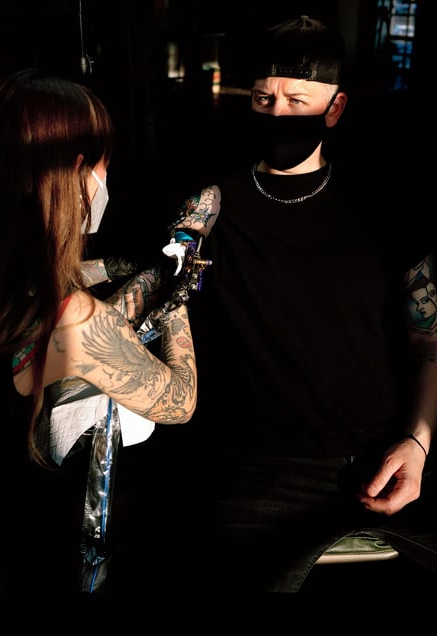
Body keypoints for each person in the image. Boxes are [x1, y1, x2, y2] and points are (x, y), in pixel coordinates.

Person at [151, 14, 437, 597]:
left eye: (297, 101)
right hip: (254, 472)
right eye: (264, 99)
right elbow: (163, 296)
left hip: (378, 461)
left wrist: (418, 443)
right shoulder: (214, 205)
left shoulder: (384, 210)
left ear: (335, 108)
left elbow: (427, 341)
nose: (278, 114)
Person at [0, 68, 197, 593]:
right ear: (77, 171)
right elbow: (179, 401)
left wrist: (122, 267)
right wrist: (177, 286)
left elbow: (53, 275)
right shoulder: (74, 318)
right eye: (104, 166)